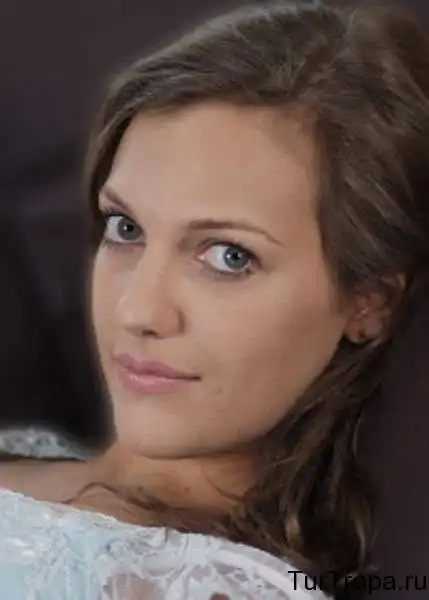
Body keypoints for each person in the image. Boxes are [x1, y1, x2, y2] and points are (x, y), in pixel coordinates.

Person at [0, 1, 428, 598]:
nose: (137, 312)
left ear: (369, 302)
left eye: (229, 256)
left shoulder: (206, 586)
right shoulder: (34, 456)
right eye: (126, 228)